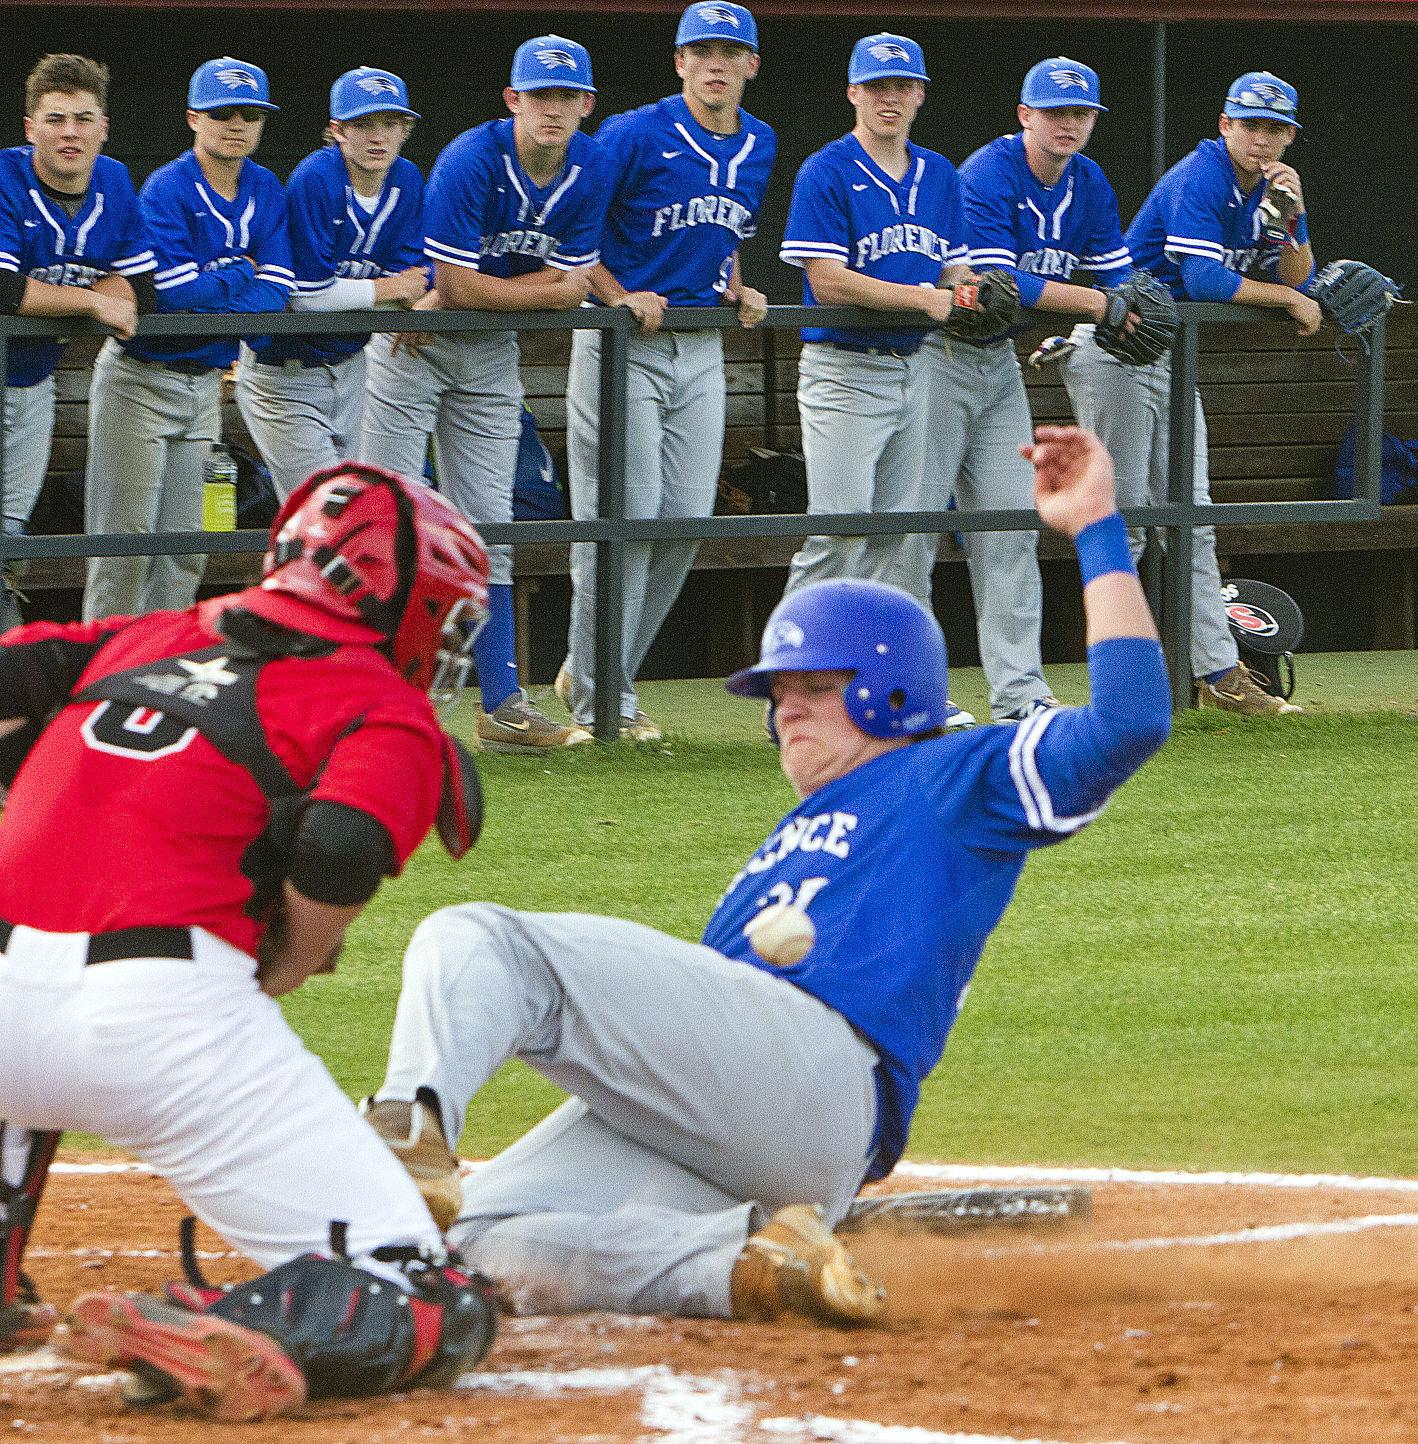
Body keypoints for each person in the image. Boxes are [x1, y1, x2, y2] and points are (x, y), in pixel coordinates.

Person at [363, 424, 1171, 1326]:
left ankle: (407, 1127)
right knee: (471, 1245)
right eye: (778, 692)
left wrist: (1096, 526)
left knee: (482, 940)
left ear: (892, 689)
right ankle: (751, 1267)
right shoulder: (785, 841)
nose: (785, 706)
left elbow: (1129, 722)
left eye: (812, 686)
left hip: (828, 1073)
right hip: (763, 1133)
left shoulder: (957, 773)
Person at [0, 463, 499, 1417]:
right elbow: (342, 843)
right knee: (433, 1297)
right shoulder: (375, 696)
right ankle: (270, 1328)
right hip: (162, 1023)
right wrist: (292, 958)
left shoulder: (144, 634)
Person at [360, 36, 605, 754]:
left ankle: (502, 707)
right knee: (390, 526)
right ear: (513, 101)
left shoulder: (590, 168)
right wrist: (540, 290)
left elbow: (569, 287)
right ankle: (372, 703)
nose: (552, 109)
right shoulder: (473, 156)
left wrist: (496, 294)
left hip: (490, 354)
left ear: (586, 105)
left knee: (487, 527)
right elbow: (462, 284)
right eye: (539, 96)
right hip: (413, 346)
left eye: (565, 97)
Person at [1061, 70, 1318, 716]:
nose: (1261, 139)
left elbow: (1298, 271)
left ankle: (1219, 673)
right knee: (1125, 521)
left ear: (1288, 136)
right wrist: (1288, 298)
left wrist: (1296, 217)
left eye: (1274, 128)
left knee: (1192, 515)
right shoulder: (1201, 176)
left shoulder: (1266, 190)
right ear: (1225, 125)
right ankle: (1124, 681)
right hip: (1117, 347)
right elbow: (1204, 280)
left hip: (1166, 352)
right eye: (1250, 124)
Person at [555, 1, 776, 742]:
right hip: (624, 342)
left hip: (699, 343)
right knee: (624, 519)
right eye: (700, 50)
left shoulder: (759, 142)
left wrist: (735, 284)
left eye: (729, 50)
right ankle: (600, 703)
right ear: (679, 62)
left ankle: (597, 669)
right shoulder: (632, 132)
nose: (715, 63)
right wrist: (619, 296)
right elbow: (573, 235)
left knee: (683, 521)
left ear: (750, 63)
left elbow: (728, 228)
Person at [917, 57, 1134, 724]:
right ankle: (917, 695)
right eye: (1054, 111)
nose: (1068, 123)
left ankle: (1020, 693)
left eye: (1080, 112)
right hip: (934, 357)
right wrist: (1101, 304)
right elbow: (1004, 286)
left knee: (1012, 528)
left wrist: (1119, 300)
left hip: (999, 364)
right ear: (1024, 115)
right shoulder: (986, 173)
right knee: (914, 531)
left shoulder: (1089, 181)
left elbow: (1117, 278)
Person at [778, 32, 974, 727]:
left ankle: (902, 694)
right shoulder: (828, 169)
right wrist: (926, 298)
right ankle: (791, 692)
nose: (890, 97)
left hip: (915, 366)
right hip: (843, 369)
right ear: (854, 93)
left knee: (905, 537)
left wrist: (974, 287)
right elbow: (825, 280)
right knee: (839, 534)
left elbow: (952, 269)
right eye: (878, 86)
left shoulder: (939, 175)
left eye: (903, 86)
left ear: (919, 94)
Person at [82, 56, 295, 622]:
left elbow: (277, 293)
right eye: (222, 112)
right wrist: (238, 274)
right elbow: (170, 296)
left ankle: (157, 675)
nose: (237, 124)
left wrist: (220, 287)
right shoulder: (166, 188)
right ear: (193, 118)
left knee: (186, 551)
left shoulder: (266, 188)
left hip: (205, 386)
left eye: (250, 114)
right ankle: (101, 680)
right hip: (140, 380)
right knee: (121, 549)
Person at [0, 54, 155, 632]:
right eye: (57, 119)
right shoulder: (5, 178)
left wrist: (109, 291)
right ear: (30, 128)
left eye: (83, 119)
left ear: (104, 127)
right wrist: (92, 299)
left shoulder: (112, 179)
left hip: (30, 377)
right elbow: (4, 288)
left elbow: (140, 282)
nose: (70, 132)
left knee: (9, 530)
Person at [235, 67, 429, 502]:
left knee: (356, 511)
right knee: (324, 512)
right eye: (363, 125)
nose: (377, 137)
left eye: (390, 124)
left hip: (352, 366)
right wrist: (387, 291)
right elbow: (306, 297)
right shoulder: (316, 178)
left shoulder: (408, 179)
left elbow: (414, 281)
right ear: (338, 131)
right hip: (284, 372)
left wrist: (400, 293)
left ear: (405, 130)